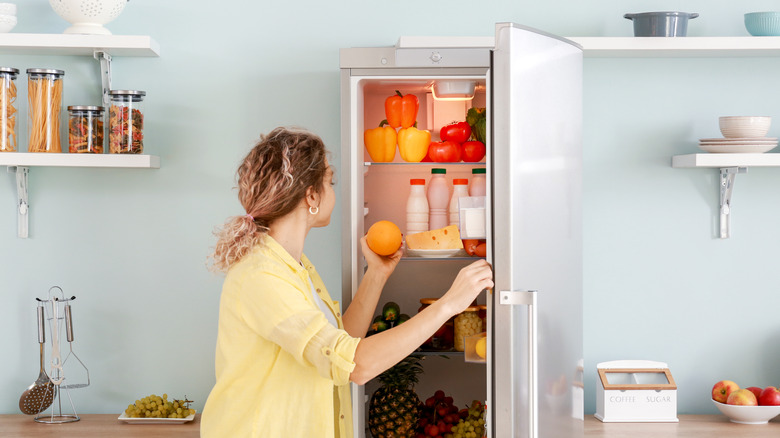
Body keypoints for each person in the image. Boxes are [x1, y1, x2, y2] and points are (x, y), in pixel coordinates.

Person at [200, 127, 493, 438]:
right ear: (311, 195)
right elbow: (355, 366)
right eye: (330, 181)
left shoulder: (294, 265)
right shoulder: (261, 275)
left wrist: (376, 274)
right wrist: (448, 305)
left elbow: (338, 345)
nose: (334, 191)